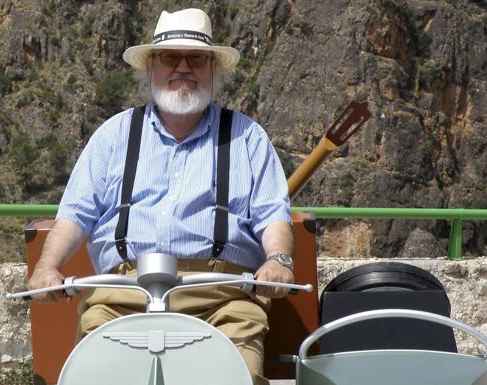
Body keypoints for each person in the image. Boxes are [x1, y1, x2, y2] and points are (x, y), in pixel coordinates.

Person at [28, 8, 294, 385]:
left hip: (221, 300)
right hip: (122, 298)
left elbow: (273, 215)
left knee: (238, 377)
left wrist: (279, 260)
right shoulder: (113, 135)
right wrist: (46, 267)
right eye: (171, 57)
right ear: (151, 66)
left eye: (196, 58)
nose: (183, 68)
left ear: (212, 68)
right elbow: (76, 213)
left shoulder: (248, 137)